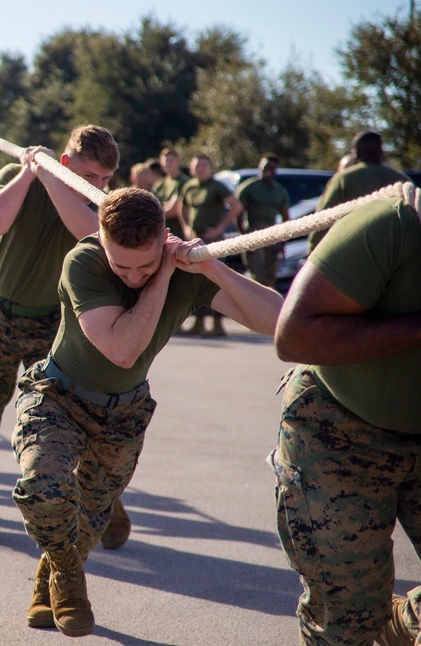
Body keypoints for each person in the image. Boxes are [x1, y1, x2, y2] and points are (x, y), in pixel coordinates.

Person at [11, 187, 282, 636]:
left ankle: (49, 581)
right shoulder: (85, 261)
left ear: (164, 238)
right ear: (101, 239)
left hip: (122, 413)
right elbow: (122, 348)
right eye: (124, 266)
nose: (134, 276)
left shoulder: (186, 269)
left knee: (90, 518)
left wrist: (211, 267)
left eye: (146, 264)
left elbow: (276, 320)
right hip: (57, 396)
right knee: (43, 485)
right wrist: (162, 276)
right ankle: (67, 576)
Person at [0, 124, 134, 550]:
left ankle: (103, 504)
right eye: (88, 175)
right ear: (65, 163)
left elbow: (90, 234)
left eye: (104, 179)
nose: (97, 186)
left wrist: (55, 180)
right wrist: (30, 173)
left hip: (50, 325)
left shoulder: (100, 207)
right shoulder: (19, 176)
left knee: (63, 423)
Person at [272, 190, 421, 645]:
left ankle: (406, 621)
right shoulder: (394, 226)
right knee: (347, 620)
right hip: (338, 432)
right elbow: (294, 335)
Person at [307, 130, 410, 253]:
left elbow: (323, 219)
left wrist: (312, 250)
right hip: (394, 253)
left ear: (356, 153)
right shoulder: (402, 179)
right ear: (381, 151)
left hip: (354, 252)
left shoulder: (344, 178)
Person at [176, 154, 242, 337]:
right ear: (191, 168)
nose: (200, 169)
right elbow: (182, 207)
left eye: (204, 165)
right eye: (197, 166)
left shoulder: (217, 186)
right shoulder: (189, 186)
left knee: (216, 280)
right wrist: (186, 227)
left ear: (211, 168)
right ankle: (198, 322)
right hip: (195, 239)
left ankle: (218, 323)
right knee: (196, 280)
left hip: (213, 240)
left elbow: (236, 206)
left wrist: (220, 227)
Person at [230, 154, 290, 288]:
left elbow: (286, 217)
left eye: (271, 167)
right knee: (257, 277)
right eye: (265, 166)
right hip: (254, 232)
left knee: (271, 277)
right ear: (260, 166)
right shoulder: (249, 188)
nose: (267, 170)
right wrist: (244, 237)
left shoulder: (279, 191)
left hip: (272, 234)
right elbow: (238, 214)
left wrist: (283, 242)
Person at [151, 147, 190, 240]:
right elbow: (152, 205)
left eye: (171, 160)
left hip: (178, 232)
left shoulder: (183, 182)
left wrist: (153, 215)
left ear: (178, 161)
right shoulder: (160, 184)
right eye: (165, 160)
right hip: (162, 232)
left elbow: (174, 210)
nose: (168, 163)